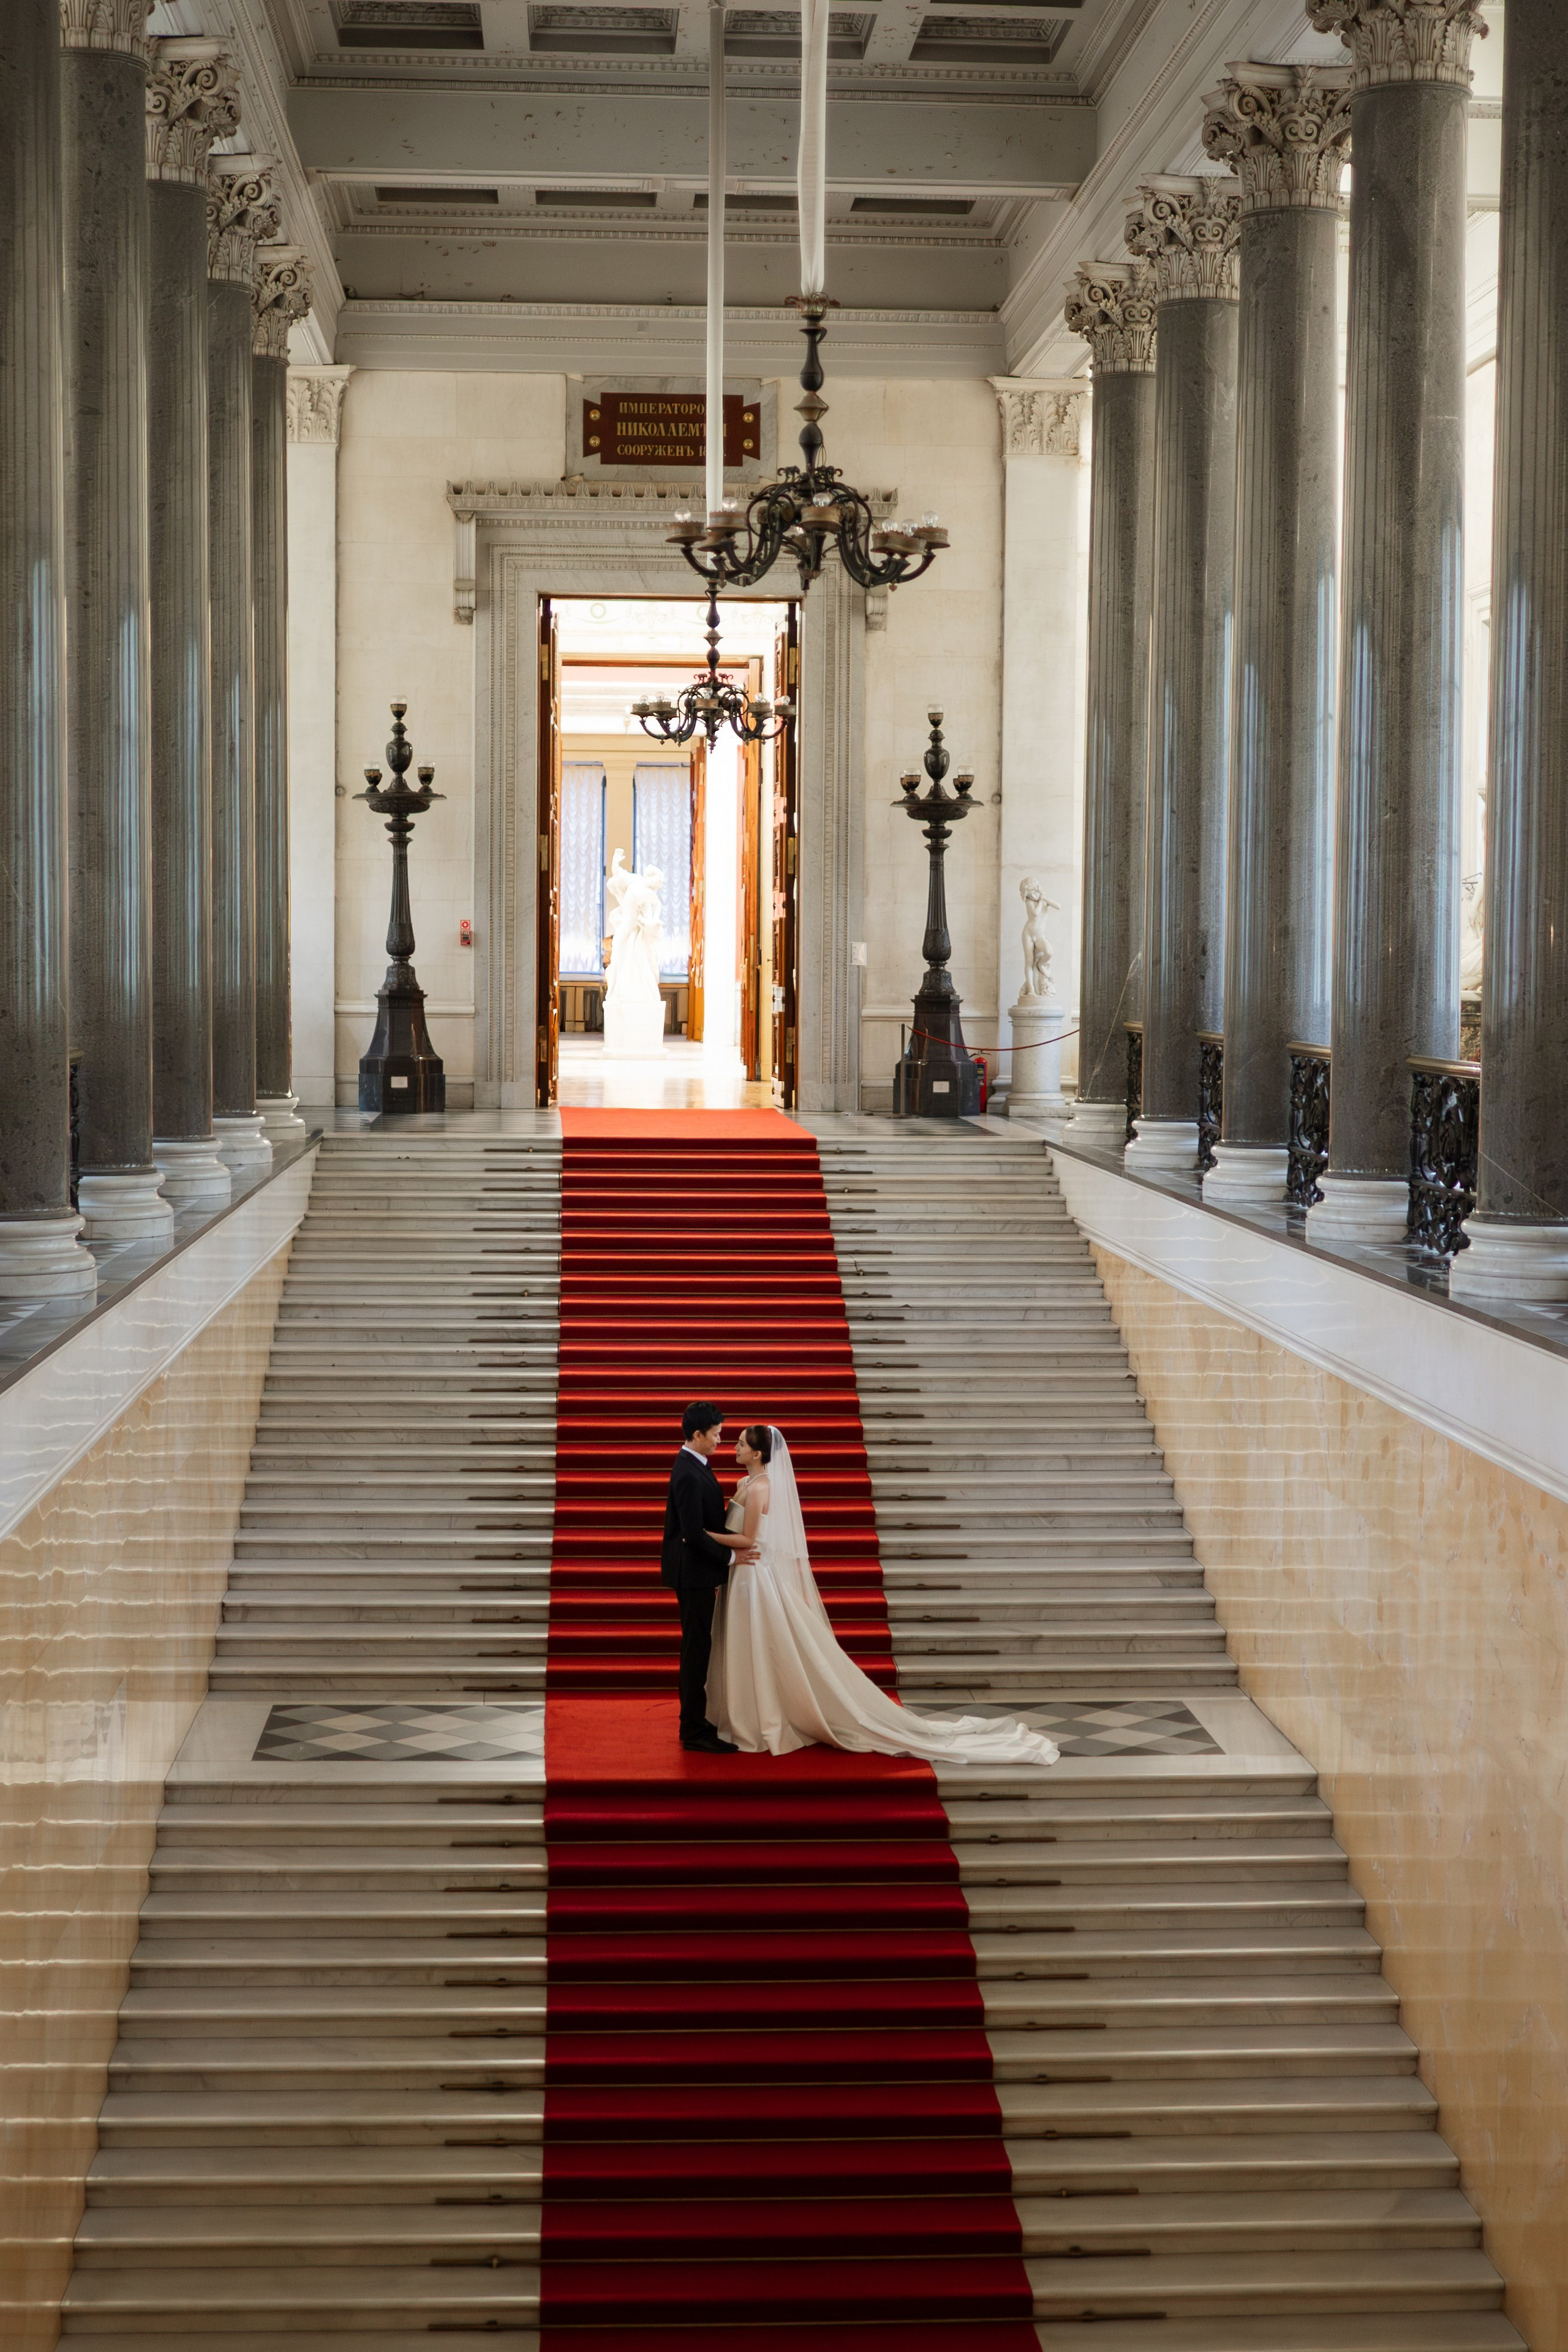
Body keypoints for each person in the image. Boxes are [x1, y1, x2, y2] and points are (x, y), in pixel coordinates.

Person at [709, 1424, 1059, 1766]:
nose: (734, 1447)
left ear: (757, 1453)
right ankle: (752, 1711)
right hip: (742, 1574)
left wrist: (702, 1537)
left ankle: (765, 1716)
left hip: (755, 1574)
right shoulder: (746, 1482)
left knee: (763, 1644)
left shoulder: (759, 1490)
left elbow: (750, 1540)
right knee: (751, 1645)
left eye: (740, 1444)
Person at [659, 1403, 751, 1753]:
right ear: (697, 1435)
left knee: (699, 1648)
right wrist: (732, 1556)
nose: (720, 1441)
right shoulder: (686, 1471)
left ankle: (698, 1723)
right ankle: (693, 1730)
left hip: (698, 1571)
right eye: (715, 1435)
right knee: (696, 1651)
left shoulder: (695, 1465)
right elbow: (693, 1533)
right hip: (692, 1573)